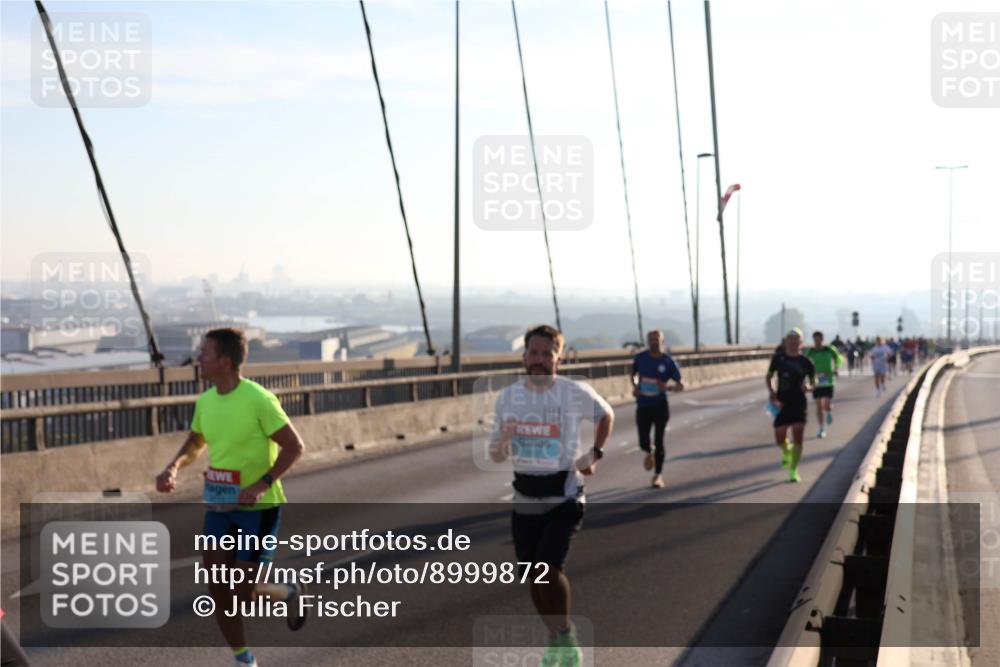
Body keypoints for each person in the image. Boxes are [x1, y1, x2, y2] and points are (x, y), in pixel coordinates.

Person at [156, 328, 307, 667]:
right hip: (220, 507)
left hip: (259, 508)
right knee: (219, 591)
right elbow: (197, 441)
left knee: (243, 594)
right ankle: (245, 660)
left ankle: (287, 593)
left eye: (204, 354)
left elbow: (295, 446)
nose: (198, 360)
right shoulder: (206, 401)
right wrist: (173, 467)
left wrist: (263, 483)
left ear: (225, 361)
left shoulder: (258, 399)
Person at [490, 325, 613, 667]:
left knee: (547, 568)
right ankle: (557, 639)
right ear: (524, 356)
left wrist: (595, 454)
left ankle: (567, 638)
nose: (540, 360)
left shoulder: (575, 392)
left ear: (560, 357)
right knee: (532, 575)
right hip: (525, 496)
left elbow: (606, 416)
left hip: (564, 495)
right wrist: (504, 438)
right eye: (534, 353)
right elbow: (497, 455)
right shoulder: (509, 397)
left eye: (547, 354)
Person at [631, 329, 684, 488]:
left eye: (656, 339)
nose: (653, 342)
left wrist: (666, 388)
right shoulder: (640, 358)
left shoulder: (668, 361)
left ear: (662, 341)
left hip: (660, 406)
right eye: (651, 339)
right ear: (648, 341)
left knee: (659, 440)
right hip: (643, 405)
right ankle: (649, 451)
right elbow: (633, 375)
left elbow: (681, 385)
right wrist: (635, 386)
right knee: (643, 441)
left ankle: (658, 475)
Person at [765, 328, 816, 483]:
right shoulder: (778, 359)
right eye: (791, 339)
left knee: (798, 436)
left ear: (801, 343)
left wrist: (809, 387)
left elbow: (814, 382)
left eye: (797, 340)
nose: (793, 342)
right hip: (781, 402)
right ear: (786, 341)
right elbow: (769, 376)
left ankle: (793, 469)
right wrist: (772, 390)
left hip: (799, 402)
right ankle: (787, 451)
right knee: (780, 437)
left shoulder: (806, 362)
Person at [804, 331, 844, 439]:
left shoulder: (829, 349)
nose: (817, 341)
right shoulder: (810, 351)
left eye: (819, 338)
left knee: (827, 404)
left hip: (828, 380)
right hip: (816, 381)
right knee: (819, 406)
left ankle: (829, 411)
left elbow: (839, 359)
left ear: (822, 339)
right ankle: (821, 428)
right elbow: (803, 362)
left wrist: (836, 368)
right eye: (815, 339)